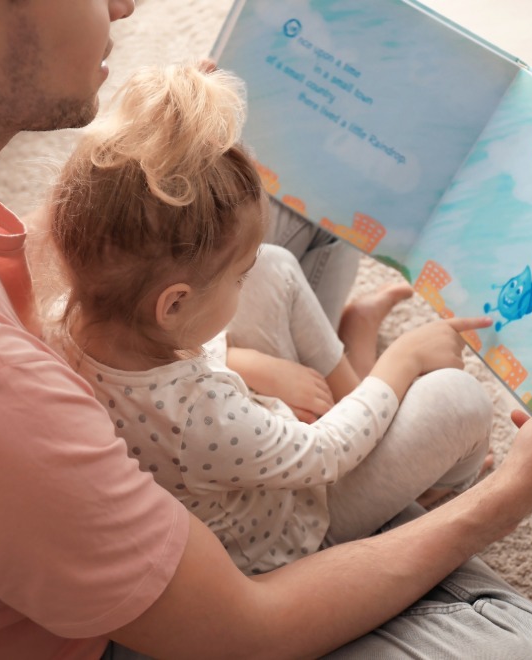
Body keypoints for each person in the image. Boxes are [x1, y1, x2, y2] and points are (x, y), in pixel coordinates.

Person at [0, 1, 532, 658]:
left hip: (120, 451)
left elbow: (49, 255)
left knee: (253, 186)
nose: (126, 9)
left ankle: (377, 469)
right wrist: (519, 491)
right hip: (144, 626)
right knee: (520, 644)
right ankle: (396, 504)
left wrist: (169, 167)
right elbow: (245, 629)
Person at [45, 63, 494, 573]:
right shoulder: (200, 415)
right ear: (172, 305)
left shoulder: (69, 318)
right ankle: (429, 495)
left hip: (258, 447)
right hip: (299, 525)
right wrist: (405, 361)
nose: (242, 283)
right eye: (237, 278)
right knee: (459, 401)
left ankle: (357, 377)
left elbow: (178, 362)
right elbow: (325, 451)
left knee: (275, 266)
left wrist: (246, 361)